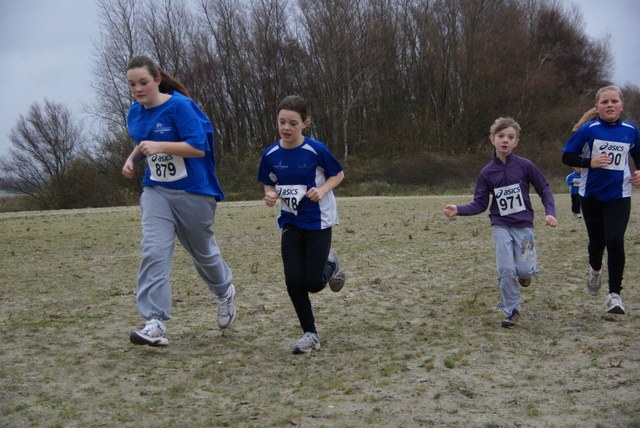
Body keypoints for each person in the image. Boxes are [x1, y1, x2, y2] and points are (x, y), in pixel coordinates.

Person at [122, 55, 235, 346]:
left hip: (194, 191)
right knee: (154, 252)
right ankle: (155, 322)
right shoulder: (134, 113)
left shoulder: (180, 106)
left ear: (157, 79)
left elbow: (198, 147)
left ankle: (224, 292)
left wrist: (159, 145)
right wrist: (132, 159)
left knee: (204, 255)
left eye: (143, 82)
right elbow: (142, 140)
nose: (138, 89)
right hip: (156, 190)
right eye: (132, 84)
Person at [444, 117, 557, 328]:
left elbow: (545, 189)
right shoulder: (487, 172)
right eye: (501, 136)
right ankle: (511, 310)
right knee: (506, 270)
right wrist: (458, 209)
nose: (505, 140)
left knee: (524, 270)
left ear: (516, 142)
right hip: (500, 226)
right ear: (492, 140)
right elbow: (479, 204)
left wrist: (550, 212)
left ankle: (526, 275)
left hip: (524, 227)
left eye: (510, 137)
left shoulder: (526, 166)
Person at [258, 95, 346, 353]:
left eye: (293, 123)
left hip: (318, 221)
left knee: (313, 283)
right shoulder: (271, 154)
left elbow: (337, 174)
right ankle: (310, 334)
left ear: (305, 123)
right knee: (292, 280)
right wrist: (270, 194)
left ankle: (330, 264)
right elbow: (269, 180)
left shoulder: (316, 149)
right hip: (290, 221)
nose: (286, 128)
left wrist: (323, 190)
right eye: (282, 122)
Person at [561, 85, 640, 315]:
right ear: (597, 107)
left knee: (615, 239)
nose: (610, 105)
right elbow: (567, 155)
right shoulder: (588, 130)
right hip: (591, 196)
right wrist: (589, 163)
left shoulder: (631, 130)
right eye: (605, 102)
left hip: (620, 195)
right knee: (597, 245)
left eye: (614, 101)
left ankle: (614, 295)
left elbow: (638, 154)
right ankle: (595, 270)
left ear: (621, 106)